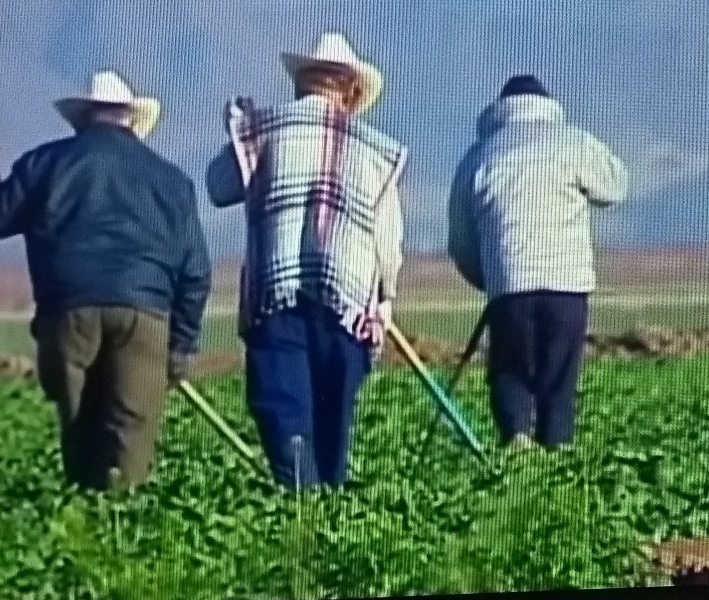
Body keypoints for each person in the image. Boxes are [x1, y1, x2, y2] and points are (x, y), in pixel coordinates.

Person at [0, 70, 212, 490]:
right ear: (131, 119)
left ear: (82, 118)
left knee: (79, 427)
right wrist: (181, 344)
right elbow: (195, 269)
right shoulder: (171, 180)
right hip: (145, 313)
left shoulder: (45, 162)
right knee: (131, 431)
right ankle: (123, 520)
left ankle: (83, 515)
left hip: (67, 309)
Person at [205, 33, 407, 491]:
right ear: (351, 89)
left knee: (283, 408)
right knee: (333, 416)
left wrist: (234, 136)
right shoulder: (376, 150)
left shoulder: (263, 133)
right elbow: (387, 239)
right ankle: (327, 507)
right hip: (348, 303)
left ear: (300, 83)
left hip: (275, 300)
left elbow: (218, 187)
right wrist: (386, 298)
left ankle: (302, 502)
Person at [447, 74, 629, 451]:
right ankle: (557, 454)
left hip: (509, 287)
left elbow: (462, 241)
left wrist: (488, 278)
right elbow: (614, 186)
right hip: (567, 286)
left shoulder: (479, 155)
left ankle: (517, 443)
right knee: (558, 377)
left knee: (510, 372)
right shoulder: (571, 141)